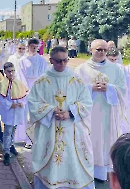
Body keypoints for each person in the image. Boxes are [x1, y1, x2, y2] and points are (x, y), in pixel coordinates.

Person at [28, 46, 94, 188]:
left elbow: (87, 102)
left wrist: (70, 113)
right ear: (51, 60)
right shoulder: (42, 81)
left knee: (73, 161)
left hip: (72, 130)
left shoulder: (76, 79)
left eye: (65, 60)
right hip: (49, 129)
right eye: (58, 61)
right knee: (51, 164)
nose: (62, 64)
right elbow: (33, 102)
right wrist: (51, 111)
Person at [75, 39, 126, 181]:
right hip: (88, 114)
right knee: (88, 140)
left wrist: (109, 88)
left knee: (105, 142)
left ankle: (102, 173)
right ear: (91, 50)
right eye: (99, 49)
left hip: (108, 113)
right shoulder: (81, 69)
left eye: (105, 50)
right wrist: (91, 88)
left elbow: (122, 90)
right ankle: (86, 170)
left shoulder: (115, 69)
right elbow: (74, 90)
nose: (103, 52)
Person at [0, 62, 29, 166]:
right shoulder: (2, 84)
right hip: (8, 112)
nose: (12, 73)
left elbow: (25, 95)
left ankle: (11, 145)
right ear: (5, 72)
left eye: (13, 71)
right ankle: (6, 152)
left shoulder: (18, 82)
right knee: (7, 131)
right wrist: (9, 104)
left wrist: (22, 102)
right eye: (9, 71)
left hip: (17, 112)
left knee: (14, 130)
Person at [18, 38, 48, 149]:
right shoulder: (23, 60)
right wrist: (26, 90)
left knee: (37, 114)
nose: (34, 49)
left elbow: (45, 75)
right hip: (26, 88)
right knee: (26, 115)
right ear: (28, 47)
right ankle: (27, 139)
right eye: (32, 47)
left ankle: (38, 138)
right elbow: (20, 76)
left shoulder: (42, 60)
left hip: (38, 88)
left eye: (36, 47)